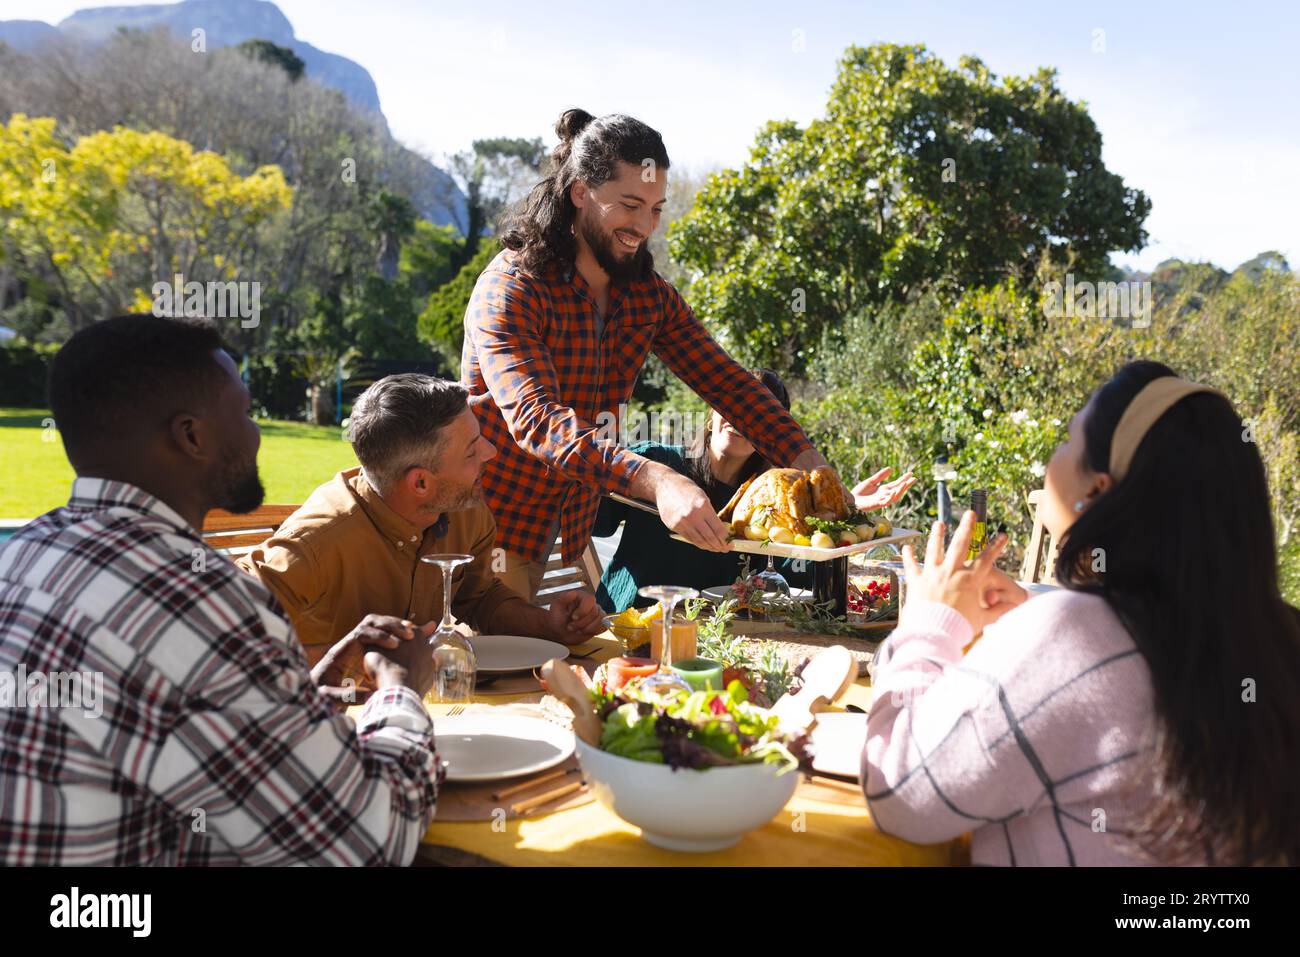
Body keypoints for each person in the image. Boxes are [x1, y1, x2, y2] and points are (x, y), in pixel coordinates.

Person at [0, 315, 443, 866]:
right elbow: (369, 837)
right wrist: (402, 689)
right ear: (192, 435)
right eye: (244, 411)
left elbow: (159, 719)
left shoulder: (22, 555)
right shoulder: (199, 598)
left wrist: (300, 693)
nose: (256, 433)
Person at [462, 107, 912, 601]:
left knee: (577, 670)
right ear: (580, 193)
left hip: (569, 535)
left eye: (655, 209)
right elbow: (538, 421)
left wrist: (814, 467)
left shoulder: (646, 297)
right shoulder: (511, 288)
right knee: (494, 671)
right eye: (630, 205)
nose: (644, 226)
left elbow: (730, 385)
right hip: (490, 531)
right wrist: (656, 479)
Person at [865, 360, 1300, 866]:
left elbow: (900, 793)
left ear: (1097, 488)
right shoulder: (1280, 638)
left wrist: (926, 623)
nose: (1052, 457)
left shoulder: (1072, 638)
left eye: (1066, 440)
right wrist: (1036, 621)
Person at [238, 374, 605, 687]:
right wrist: (344, 659)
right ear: (420, 484)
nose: (491, 452)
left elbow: (479, 597)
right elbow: (223, 629)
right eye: (472, 450)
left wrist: (548, 624)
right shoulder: (315, 543)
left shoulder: (467, 512)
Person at [594, 369, 825, 612]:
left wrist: (833, 519)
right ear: (713, 411)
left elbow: (789, 572)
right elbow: (596, 520)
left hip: (711, 637)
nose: (742, 417)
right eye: (734, 403)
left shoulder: (766, 503)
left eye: (758, 415)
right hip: (624, 625)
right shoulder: (656, 461)